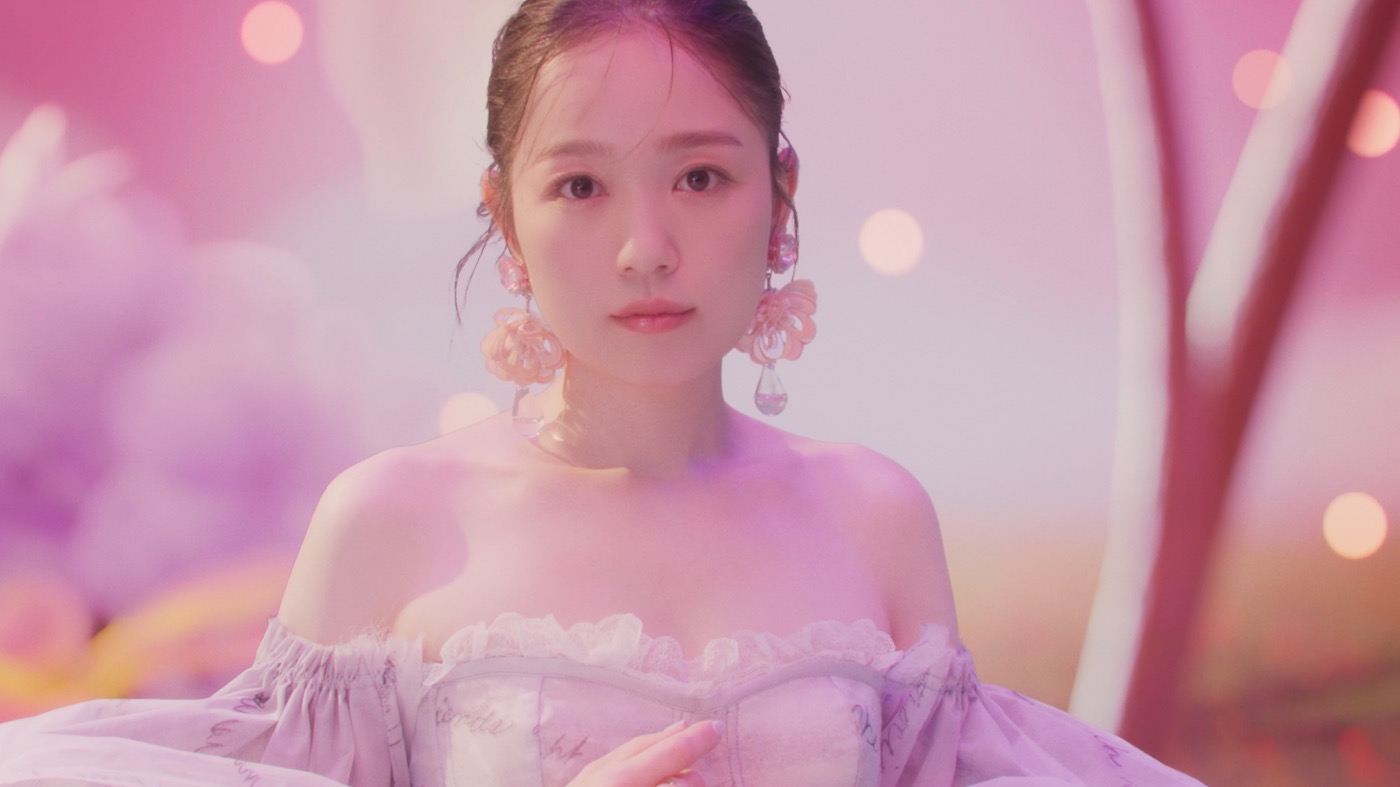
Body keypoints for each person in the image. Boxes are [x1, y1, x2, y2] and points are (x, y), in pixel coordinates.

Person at [0, 1, 1205, 784]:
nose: (644, 248)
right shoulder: (389, 521)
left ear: (779, 194)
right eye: (580, 187)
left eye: (699, 177)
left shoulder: (874, 515)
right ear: (503, 218)